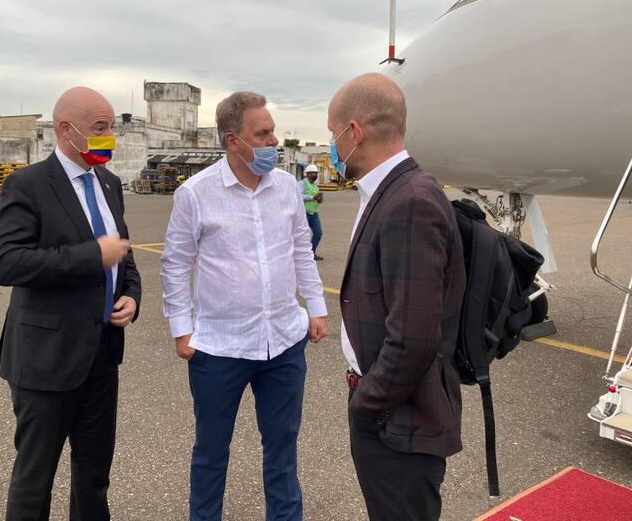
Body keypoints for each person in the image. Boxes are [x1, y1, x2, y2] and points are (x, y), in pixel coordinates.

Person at [161, 91, 329, 521]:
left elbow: (301, 248)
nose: (274, 141)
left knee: (282, 452)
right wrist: (182, 328)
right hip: (220, 347)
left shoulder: (287, 187)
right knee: (211, 452)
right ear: (232, 140)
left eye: (273, 131)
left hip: (284, 343)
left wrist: (316, 307)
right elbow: (176, 263)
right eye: (263, 134)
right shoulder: (196, 193)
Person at [0, 86, 142, 521]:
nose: (109, 135)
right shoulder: (29, 184)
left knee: (94, 472)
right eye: (100, 127)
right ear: (65, 129)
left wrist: (131, 296)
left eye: (112, 127)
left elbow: (124, 256)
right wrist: (92, 255)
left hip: (101, 354)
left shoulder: (109, 183)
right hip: (46, 358)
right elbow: (6, 262)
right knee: (35, 477)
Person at [329, 73, 465, 521]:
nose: (332, 146)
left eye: (333, 133)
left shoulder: (410, 200)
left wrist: (366, 405)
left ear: (354, 132)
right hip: (390, 412)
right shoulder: (389, 192)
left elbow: (413, 336)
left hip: (399, 421)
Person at [297, 164, 324, 260]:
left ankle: (311, 253)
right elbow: (298, 196)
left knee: (318, 233)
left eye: (315, 173)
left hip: (313, 213)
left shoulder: (315, 186)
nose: (314, 175)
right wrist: (312, 197)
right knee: (301, 235)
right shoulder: (302, 184)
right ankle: (299, 255)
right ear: (307, 174)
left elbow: (316, 197)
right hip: (303, 213)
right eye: (312, 173)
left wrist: (319, 199)